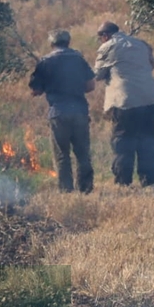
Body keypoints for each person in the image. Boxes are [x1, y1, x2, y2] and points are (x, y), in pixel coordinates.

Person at [93, 21, 154, 188]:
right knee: (149, 143)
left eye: (100, 37)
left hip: (125, 102)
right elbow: (151, 65)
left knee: (123, 143)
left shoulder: (107, 46)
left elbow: (98, 75)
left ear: (105, 35)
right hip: (150, 100)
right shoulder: (141, 44)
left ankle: (123, 185)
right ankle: (151, 184)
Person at [28, 29, 96, 193]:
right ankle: (85, 190)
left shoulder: (45, 61)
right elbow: (90, 86)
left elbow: (35, 90)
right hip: (80, 111)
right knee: (83, 153)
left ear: (51, 44)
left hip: (58, 113)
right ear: (68, 42)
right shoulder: (79, 59)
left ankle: (66, 191)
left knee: (62, 155)